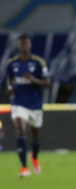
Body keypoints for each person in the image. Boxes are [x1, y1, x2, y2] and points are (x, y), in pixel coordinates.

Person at [6, 35, 50, 177]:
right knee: (20, 129)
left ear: (30, 46)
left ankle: (34, 157)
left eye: (26, 43)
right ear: (18, 46)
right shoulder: (12, 63)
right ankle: (24, 167)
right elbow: (9, 78)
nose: (24, 45)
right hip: (19, 102)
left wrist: (33, 79)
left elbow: (48, 83)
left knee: (35, 137)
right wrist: (9, 87)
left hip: (35, 104)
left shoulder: (38, 62)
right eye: (21, 43)